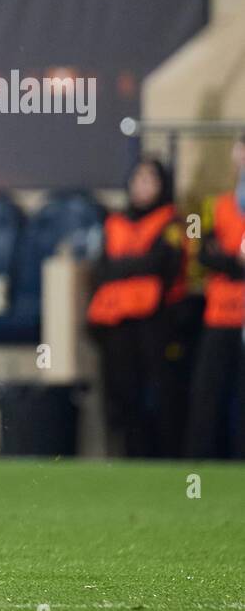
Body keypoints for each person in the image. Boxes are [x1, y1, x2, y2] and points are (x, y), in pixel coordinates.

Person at [86, 158, 188, 458]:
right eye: (137, 179)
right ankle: (131, 455)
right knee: (123, 392)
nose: (142, 186)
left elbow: (162, 264)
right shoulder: (114, 222)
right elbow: (100, 270)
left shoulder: (171, 222)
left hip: (156, 319)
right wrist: (135, 267)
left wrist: (124, 267)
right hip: (115, 321)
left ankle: (168, 455)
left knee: (161, 391)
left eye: (150, 180)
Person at [186, 135, 245, 458]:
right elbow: (203, 254)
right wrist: (232, 263)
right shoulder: (217, 205)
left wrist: (228, 260)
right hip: (221, 313)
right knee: (207, 392)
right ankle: (198, 461)